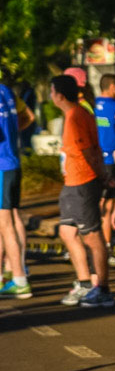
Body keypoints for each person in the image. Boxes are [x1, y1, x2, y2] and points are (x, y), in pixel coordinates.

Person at [51, 75, 114, 307]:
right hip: (72, 183)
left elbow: (89, 151)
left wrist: (102, 177)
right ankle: (85, 282)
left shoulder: (76, 116)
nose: (50, 96)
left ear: (59, 94)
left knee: (93, 236)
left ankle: (103, 288)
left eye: (52, 91)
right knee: (67, 232)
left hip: (83, 183)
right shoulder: (71, 116)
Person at [0, 70, 34, 298]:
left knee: (6, 224)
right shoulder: (6, 92)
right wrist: (12, 133)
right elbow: (28, 116)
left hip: (2, 164)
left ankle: (19, 278)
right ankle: (11, 272)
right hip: (12, 161)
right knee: (10, 218)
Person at [94, 74, 115, 250]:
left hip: (96, 159)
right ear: (112, 86)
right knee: (109, 203)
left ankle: (97, 245)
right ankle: (104, 245)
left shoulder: (92, 106)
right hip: (111, 158)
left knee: (98, 202)